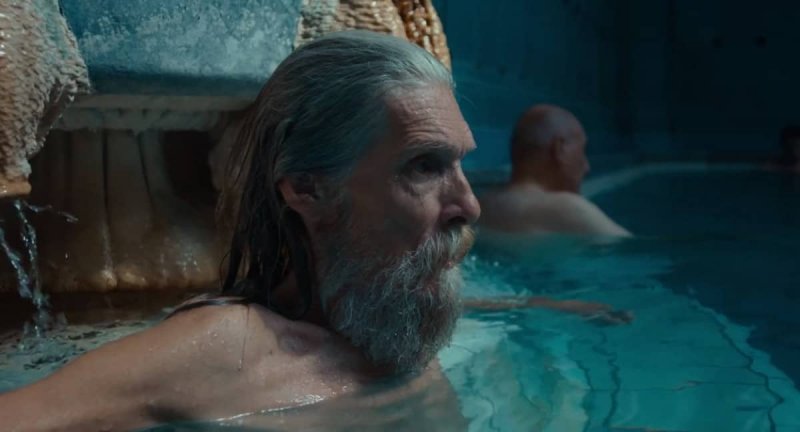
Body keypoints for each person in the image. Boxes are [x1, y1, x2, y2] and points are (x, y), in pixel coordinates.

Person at [0, 32, 627, 431]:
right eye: (424, 167)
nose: (469, 204)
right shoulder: (225, 351)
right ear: (307, 189)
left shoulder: (394, 316)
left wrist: (535, 305)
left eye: (461, 164)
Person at [479, 104, 631, 237]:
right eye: (582, 151)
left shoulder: (482, 206)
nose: (586, 166)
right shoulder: (569, 209)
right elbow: (631, 252)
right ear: (560, 150)